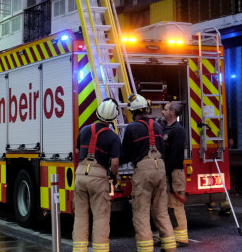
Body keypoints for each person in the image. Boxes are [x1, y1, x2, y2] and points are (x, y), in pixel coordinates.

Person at [121, 94, 177, 252]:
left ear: (133, 112)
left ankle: (146, 249)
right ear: (146, 109)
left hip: (144, 170)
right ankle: (170, 247)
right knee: (161, 211)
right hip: (160, 167)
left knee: (141, 212)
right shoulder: (158, 126)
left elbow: (125, 154)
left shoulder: (132, 128)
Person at [72, 98, 122, 252]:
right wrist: (113, 176)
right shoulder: (113, 137)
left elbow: (78, 151)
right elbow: (114, 162)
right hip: (98, 177)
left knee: (80, 215)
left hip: (81, 175)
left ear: (97, 113)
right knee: (100, 216)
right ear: (113, 118)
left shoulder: (84, 130)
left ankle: (79, 249)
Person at [161, 101, 188, 247]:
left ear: (172, 112)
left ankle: (181, 237)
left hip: (174, 173)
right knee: (165, 205)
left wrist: (167, 173)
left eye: (165, 109)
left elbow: (175, 155)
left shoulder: (178, 130)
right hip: (167, 173)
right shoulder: (167, 128)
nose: (162, 112)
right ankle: (169, 235)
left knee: (175, 204)